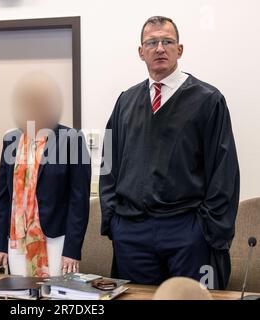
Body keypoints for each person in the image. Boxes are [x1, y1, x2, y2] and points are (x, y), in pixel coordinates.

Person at [100, 16, 239, 289]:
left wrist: (205, 230)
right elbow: (109, 164)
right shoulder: (125, 101)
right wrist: (113, 219)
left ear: (180, 49)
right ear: (141, 52)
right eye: (152, 42)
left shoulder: (208, 100)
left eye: (167, 41)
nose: (160, 48)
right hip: (132, 233)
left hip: (187, 232)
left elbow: (224, 172)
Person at [0, 72, 91, 277]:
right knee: (20, 295)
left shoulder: (71, 139)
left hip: (55, 240)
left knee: (54, 296)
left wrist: (72, 250)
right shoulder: (11, 139)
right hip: (17, 241)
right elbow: (3, 198)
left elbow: (79, 201)